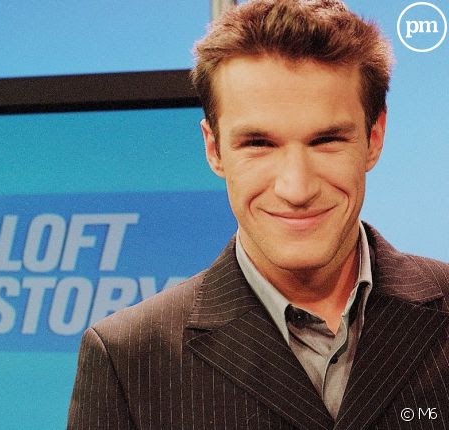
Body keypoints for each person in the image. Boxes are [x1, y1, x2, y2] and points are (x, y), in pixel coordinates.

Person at [68, 0, 449, 428]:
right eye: (259, 144)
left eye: (326, 141)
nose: (296, 189)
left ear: (374, 137)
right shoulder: (128, 359)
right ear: (214, 149)